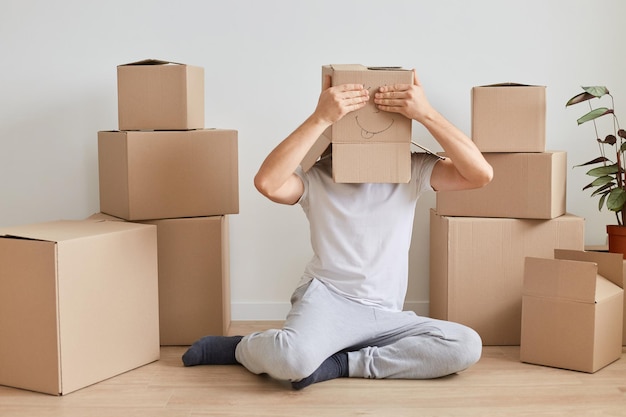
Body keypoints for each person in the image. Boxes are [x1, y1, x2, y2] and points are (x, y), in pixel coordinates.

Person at [182, 69, 493, 390]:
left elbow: (479, 175)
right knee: (293, 361)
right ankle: (240, 347)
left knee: (465, 344)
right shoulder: (317, 176)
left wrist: (427, 114)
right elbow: (267, 183)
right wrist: (319, 117)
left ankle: (341, 362)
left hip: (386, 313)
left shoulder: (411, 169)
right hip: (328, 302)